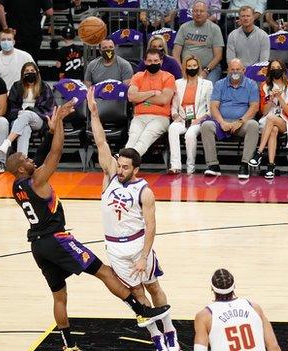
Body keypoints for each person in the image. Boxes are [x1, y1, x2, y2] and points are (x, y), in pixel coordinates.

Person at [5, 100, 171, 351]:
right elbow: (55, 153)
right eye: (26, 159)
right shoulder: (37, 180)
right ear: (21, 169)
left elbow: (39, 155)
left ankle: (68, 344)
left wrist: (50, 131)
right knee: (104, 272)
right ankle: (141, 311)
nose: (31, 160)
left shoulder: (17, 185)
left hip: (38, 248)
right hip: (57, 239)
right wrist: (59, 122)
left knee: (59, 295)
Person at [86, 87, 180, 351]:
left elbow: (151, 227)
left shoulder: (145, 191)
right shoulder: (110, 176)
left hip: (139, 246)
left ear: (136, 169)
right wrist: (94, 114)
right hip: (114, 247)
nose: (121, 169)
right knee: (137, 294)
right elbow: (101, 141)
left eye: (126, 167)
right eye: (120, 164)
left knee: (153, 287)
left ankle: (170, 329)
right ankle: (156, 336)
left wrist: (143, 256)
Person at [193, 268, 281, 351]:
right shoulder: (254, 307)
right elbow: (273, 346)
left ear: (212, 288)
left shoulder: (204, 316)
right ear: (234, 286)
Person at [201, 58, 260, 179]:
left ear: (243, 70)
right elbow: (214, 106)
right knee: (206, 126)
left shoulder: (252, 84)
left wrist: (240, 121)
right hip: (222, 122)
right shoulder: (219, 84)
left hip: (242, 123)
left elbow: (254, 107)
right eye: (232, 69)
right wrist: (222, 122)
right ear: (227, 70)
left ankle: (245, 165)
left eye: (238, 69)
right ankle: (213, 166)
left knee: (253, 125)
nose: (235, 72)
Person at [248, 59, 288, 179]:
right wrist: (271, 99)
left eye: (278, 67)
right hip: (269, 120)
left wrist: (280, 97)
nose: (276, 70)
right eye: (273, 68)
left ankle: (259, 153)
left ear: (283, 70)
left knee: (271, 119)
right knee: (273, 129)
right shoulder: (264, 86)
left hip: (287, 120)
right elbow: (263, 112)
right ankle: (271, 166)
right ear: (270, 71)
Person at [126, 48, 176, 156]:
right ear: (145, 61)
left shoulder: (168, 77)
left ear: (161, 62)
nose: (152, 63)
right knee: (133, 138)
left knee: (145, 137)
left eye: (155, 61)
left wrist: (141, 96)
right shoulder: (137, 76)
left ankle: (126, 159)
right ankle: (127, 161)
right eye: (149, 61)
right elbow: (131, 97)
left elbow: (164, 99)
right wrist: (153, 92)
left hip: (160, 118)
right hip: (139, 116)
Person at [168, 54, 213, 174]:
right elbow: (174, 106)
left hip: (198, 120)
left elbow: (210, 110)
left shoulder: (207, 84)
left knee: (190, 135)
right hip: (182, 119)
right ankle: (175, 166)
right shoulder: (178, 83)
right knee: (172, 128)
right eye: (189, 66)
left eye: (194, 65)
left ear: (198, 66)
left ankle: (190, 168)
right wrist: (175, 116)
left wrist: (199, 120)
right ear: (185, 67)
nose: (191, 68)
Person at [0, 62, 54, 155]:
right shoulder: (16, 86)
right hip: (19, 119)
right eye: (27, 71)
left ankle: (8, 141)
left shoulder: (44, 87)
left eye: (32, 70)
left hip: (38, 119)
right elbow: (12, 106)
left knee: (26, 114)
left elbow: (48, 107)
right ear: (22, 73)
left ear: (37, 72)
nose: (30, 72)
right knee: (25, 129)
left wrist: (29, 110)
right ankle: (22, 160)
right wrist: (21, 113)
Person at [172, 0, 224, 84]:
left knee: (207, 86)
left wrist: (206, 71)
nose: (198, 13)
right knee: (180, 85)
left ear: (207, 13)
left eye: (201, 11)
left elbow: (218, 56)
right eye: (196, 11)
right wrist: (181, 68)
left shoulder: (215, 29)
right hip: (187, 68)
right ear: (192, 13)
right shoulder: (184, 27)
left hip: (209, 69)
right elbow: (176, 52)